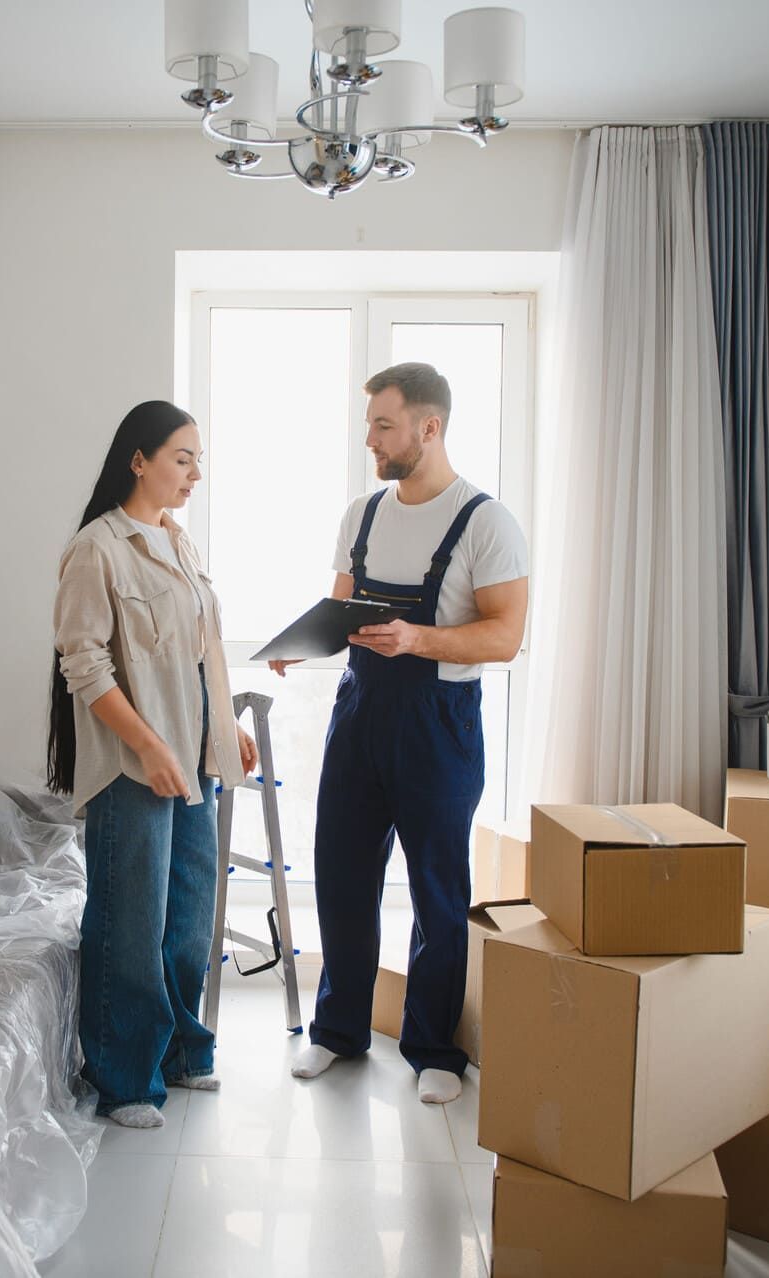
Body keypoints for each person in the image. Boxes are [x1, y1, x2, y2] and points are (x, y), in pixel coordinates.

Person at [275, 362, 529, 1105]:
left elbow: (505, 636)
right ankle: (337, 1030)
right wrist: (303, 642)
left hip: (438, 724)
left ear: (429, 426)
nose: (371, 441)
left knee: (436, 890)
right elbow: (341, 608)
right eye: (370, 425)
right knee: (342, 874)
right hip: (360, 713)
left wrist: (419, 640)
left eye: (383, 425)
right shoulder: (362, 514)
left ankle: (433, 1049)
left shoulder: (485, 521)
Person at [48, 399, 258, 1129]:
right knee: (130, 923)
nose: (195, 474)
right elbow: (84, 665)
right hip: (135, 763)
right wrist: (148, 745)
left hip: (192, 755)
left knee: (189, 917)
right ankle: (124, 1078)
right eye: (182, 458)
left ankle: (178, 1052)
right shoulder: (97, 549)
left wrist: (225, 726)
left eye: (199, 461)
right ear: (138, 460)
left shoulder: (177, 541)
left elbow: (196, 653)